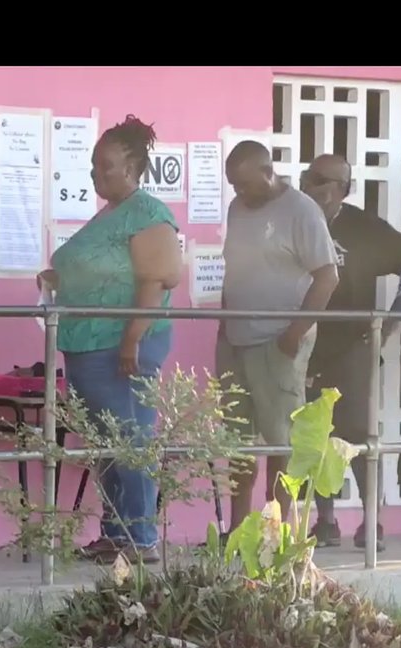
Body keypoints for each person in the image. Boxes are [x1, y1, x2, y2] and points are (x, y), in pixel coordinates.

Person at [37, 115, 183, 565]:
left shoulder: (147, 213)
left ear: (133, 167)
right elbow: (102, 269)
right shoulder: (110, 215)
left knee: (130, 438)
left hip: (122, 347)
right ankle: (116, 532)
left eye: (107, 166)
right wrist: (59, 278)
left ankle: (140, 537)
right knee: (106, 444)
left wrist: (131, 340)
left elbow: (156, 279)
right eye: (93, 166)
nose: (96, 174)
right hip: (87, 345)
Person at [216, 140, 339, 541]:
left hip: (277, 343)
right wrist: (223, 325)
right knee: (237, 442)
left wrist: (294, 334)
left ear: (268, 173)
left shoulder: (302, 210)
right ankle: (238, 531)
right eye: (234, 185)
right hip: (235, 341)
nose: (239, 192)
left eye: (245, 184)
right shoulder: (238, 208)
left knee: (281, 441)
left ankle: (275, 531)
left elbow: (327, 277)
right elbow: (233, 271)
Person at [299, 153, 401, 549]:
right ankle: (326, 521)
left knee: (357, 434)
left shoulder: (364, 228)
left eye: (321, 180)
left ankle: (372, 523)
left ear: (343, 189)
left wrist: (391, 324)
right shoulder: (294, 219)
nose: (310, 185)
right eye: (308, 177)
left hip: (353, 347)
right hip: (305, 345)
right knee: (314, 435)